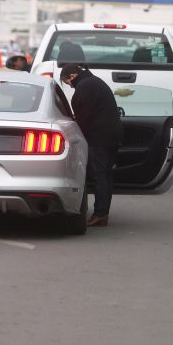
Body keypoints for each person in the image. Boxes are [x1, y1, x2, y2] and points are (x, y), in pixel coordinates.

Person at [60, 63, 122, 227]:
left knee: (100, 175)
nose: (71, 87)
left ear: (72, 77)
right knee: (106, 175)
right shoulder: (94, 82)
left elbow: (84, 118)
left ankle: (100, 214)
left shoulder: (85, 87)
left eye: (68, 83)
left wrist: (74, 136)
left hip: (99, 138)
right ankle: (103, 212)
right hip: (111, 135)